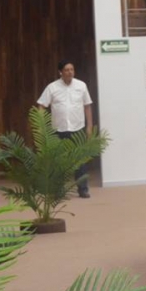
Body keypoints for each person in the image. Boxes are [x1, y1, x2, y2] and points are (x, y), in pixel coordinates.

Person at [37, 60, 94, 198]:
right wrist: (42, 126)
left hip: (78, 129)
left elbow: (87, 106)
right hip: (58, 130)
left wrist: (89, 126)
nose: (70, 72)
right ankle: (58, 190)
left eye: (72, 69)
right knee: (58, 161)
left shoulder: (81, 85)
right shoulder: (52, 87)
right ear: (60, 72)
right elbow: (41, 106)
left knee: (80, 160)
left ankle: (83, 189)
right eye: (67, 70)